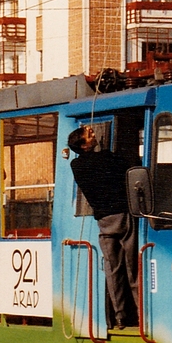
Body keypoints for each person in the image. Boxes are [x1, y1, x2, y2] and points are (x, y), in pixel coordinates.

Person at [68, 125, 139, 330]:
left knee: (113, 269)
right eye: (89, 134)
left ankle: (120, 316)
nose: (93, 133)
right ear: (84, 144)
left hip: (104, 222)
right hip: (124, 216)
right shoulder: (108, 158)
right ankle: (140, 311)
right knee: (132, 266)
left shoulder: (76, 166)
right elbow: (127, 166)